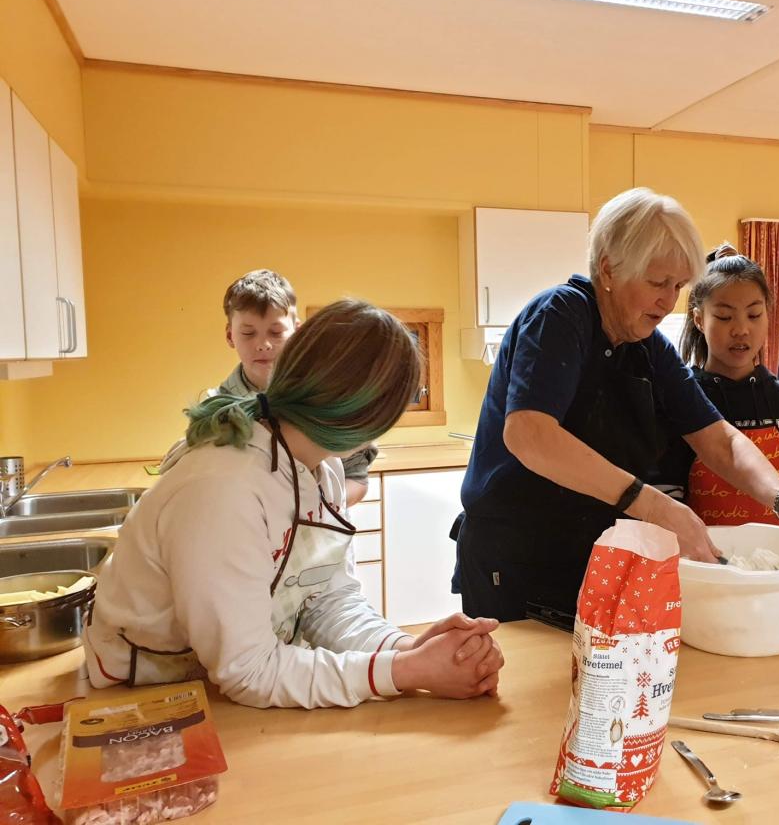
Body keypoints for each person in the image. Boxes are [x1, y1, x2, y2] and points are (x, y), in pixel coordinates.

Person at [454, 188, 779, 622]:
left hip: (593, 553)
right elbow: (530, 433)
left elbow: (720, 440)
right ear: (608, 269)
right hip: (516, 555)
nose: (668, 301)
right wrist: (652, 504)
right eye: (657, 283)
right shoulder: (560, 315)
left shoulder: (646, 347)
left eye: (679, 285)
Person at [85, 300, 504, 708]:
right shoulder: (223, 490)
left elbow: (324, 600)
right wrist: (407, 672)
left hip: (235, 694)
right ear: (370, 419)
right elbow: (248, 670)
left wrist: (408, 649)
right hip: (141, 700)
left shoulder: (320, 469)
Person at [654, 250, 779, 524]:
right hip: (701, 560)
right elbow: (665, 492)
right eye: (725, 317)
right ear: (699, 319)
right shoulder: (681, 400)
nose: (741, 329)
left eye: (754, 315)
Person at [171, 270, 375, 505]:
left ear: (297, 332)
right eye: (248, 333)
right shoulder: (215, 409)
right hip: (248, 534)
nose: (263, 344)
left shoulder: (325, 397)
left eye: (276, 332)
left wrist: (311, 510)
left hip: (321, 534)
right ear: (230, 336)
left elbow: (357, 479)